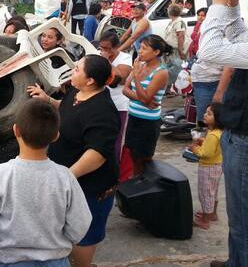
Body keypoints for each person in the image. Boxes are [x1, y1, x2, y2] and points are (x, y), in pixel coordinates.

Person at [0, 100, 91, 267]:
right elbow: (81, 224)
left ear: (16, 130)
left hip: (9, 262)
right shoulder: (65, 177)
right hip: (56, 261)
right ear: (56, 135)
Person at [28, 55, 120, 267]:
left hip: (91, 187)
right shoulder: (77, 92)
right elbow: (68, 108)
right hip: (69, 182)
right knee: (66, 229)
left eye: (77, 69)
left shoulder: (103, 111)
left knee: (85, 235)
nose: (72, 70)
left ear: (90, 80)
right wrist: (47, 100)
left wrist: (66, 175)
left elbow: (96, 155)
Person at [197, 0, 248, 267]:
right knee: (241, 217)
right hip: (246, 139)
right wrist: (233, 8)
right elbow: (238, 37)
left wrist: (217, 7)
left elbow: (209, 52)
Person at [122, 35, 170, 176]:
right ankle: (136, 186)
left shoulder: (161, 72)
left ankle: (144, 188)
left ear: (156, 52)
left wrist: (136, 76)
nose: (140, 51)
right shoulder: (140, 65)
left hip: (148, 123)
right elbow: (125, 89)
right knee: (132, 156)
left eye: (144, 48)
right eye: (140, 47)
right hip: (133, 118)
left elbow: (145, 97)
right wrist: (143, 100)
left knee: (144, 160)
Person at [99, 32, 132, 161]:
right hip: (100, 104)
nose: (104, 51)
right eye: (102, 47)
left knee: (116, 139)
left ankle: (114, 167)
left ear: (116, 47)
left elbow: (120, 78)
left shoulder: (125, 58)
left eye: (107, 48)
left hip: (119, 105)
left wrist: (105, 61)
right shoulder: (98, 54)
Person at [190, 103, 223, 230]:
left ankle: (205, 220)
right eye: (206, 112)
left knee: (205, 193)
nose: (205, 115)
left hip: (208, 167)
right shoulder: (218, 132)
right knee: (212, 192)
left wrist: (195, 148)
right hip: (217, 166)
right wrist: (203, 142)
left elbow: (206, 154)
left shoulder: (213, 135)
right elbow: (214, 148)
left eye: (209, 114)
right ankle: (211, 214)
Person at [163, 3, 187, 88]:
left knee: (175, 69)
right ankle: (169, 87)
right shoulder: (173, 22)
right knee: (170, 68)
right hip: (170, 50)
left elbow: (181, 36)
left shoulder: (179, 22)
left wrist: (180, 51)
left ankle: (174, 87)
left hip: (175, 50)